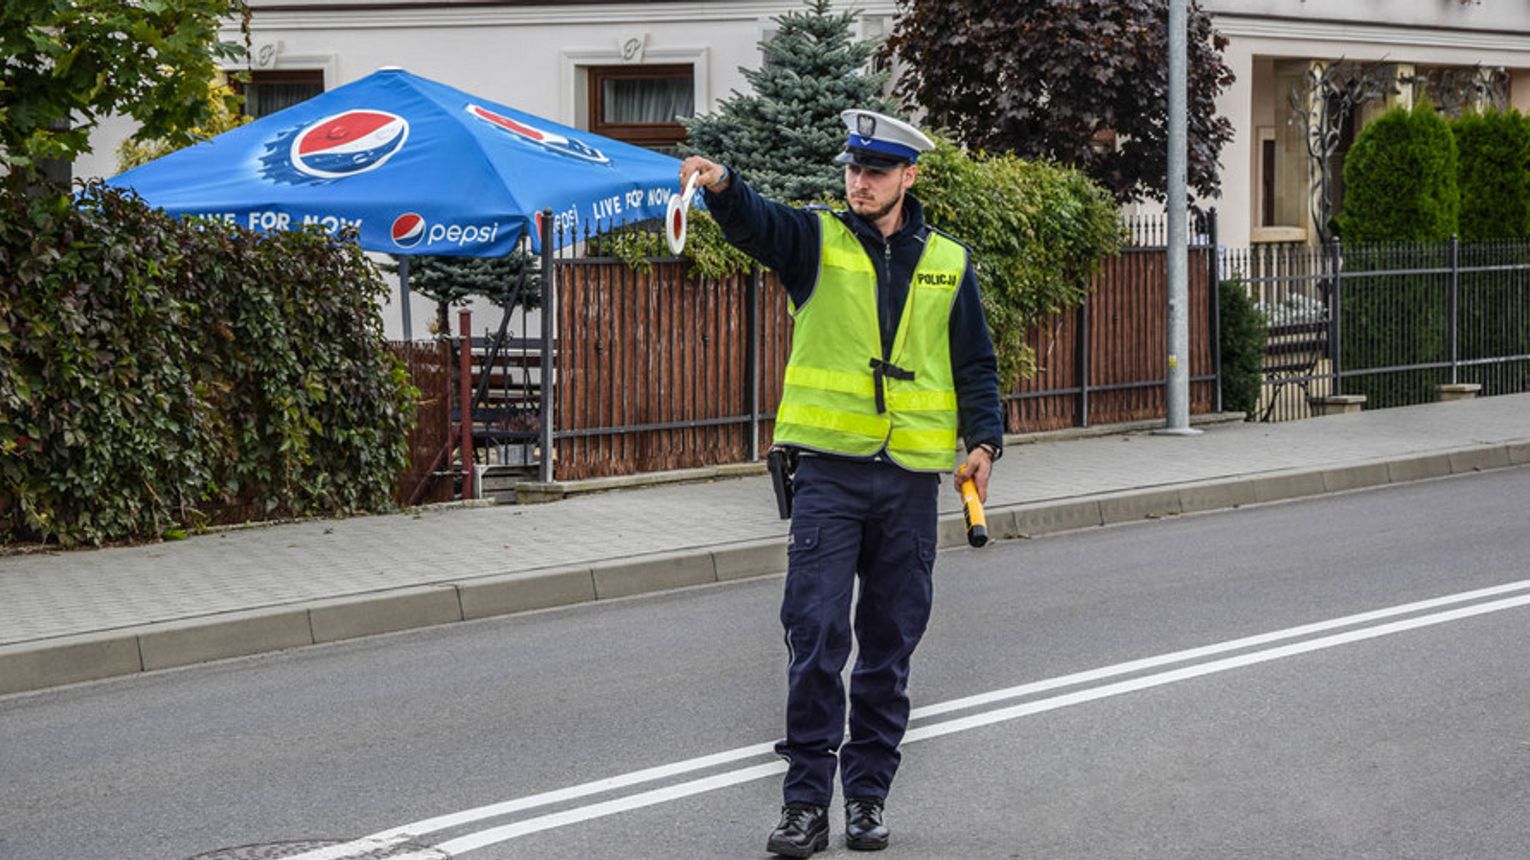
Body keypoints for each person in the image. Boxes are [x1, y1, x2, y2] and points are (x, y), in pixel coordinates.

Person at [679, 109, 1004, 857]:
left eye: (876, 171)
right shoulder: (816, 240)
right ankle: (802, 808)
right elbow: (756, 224)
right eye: (854, 169)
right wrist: (723, 186)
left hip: (911, 484)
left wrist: (985, 440)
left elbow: (976, 364)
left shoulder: (948, 261)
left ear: (908, 178)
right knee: (817, 637)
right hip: (828, 474)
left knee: (888, 647)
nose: (860, 182)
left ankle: (865, 799)